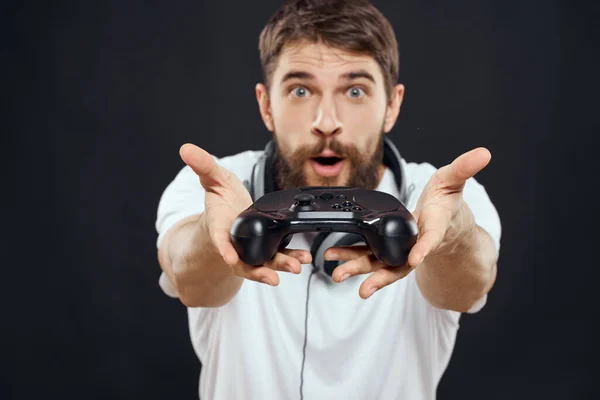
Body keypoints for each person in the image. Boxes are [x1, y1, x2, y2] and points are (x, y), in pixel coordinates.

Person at [155, 0, 501, 399]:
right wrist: (218, 235)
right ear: (267, 105)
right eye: (300, 90)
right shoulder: (214, 187)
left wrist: (450, 236)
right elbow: (189, 280)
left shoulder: (444, 197)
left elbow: (467, 288)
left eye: (355, 91)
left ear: (392, 105)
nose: (326, 122)